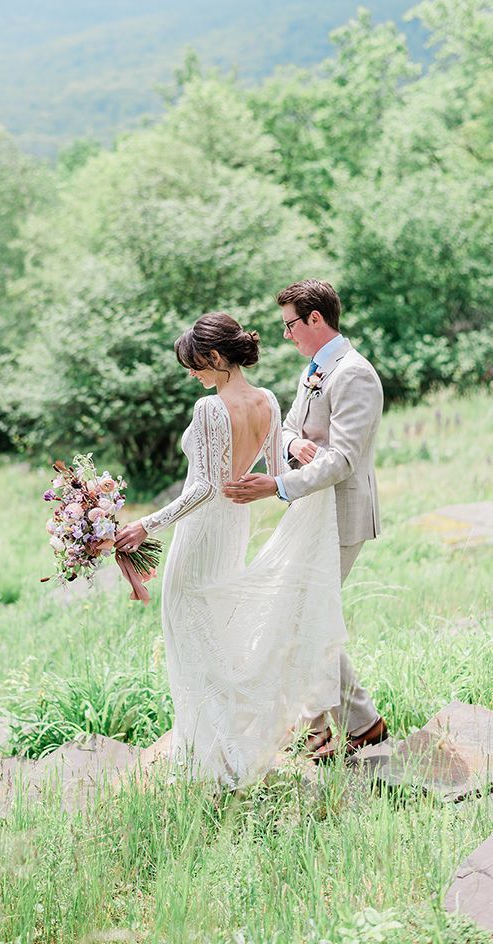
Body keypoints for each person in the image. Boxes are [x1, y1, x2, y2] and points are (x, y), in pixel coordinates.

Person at [116, 311, 347, 788]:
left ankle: (208, 759)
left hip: (201, 534)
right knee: (214, 637)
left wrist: (145, 524)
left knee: (187, 635)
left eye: (197, 364)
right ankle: (220, 745)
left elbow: (203, 488)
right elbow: (264, 468)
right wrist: (296, 454)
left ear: (218, 357)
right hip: (233, 529)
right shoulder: (267, 400)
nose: (194, 375)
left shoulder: (209, 410)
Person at [223, 280, 388, 761]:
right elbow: (290, 427)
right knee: (302, 616)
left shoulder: (354, 374)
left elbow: (344, 461)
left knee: (304, 618)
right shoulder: (314, 370)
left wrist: (277, 485)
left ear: (316, 319)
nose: (286, 336)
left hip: (340, 514)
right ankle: (357, 724)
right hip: (309, 512)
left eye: (290, 325)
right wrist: (292, 445)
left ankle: (333, 728)